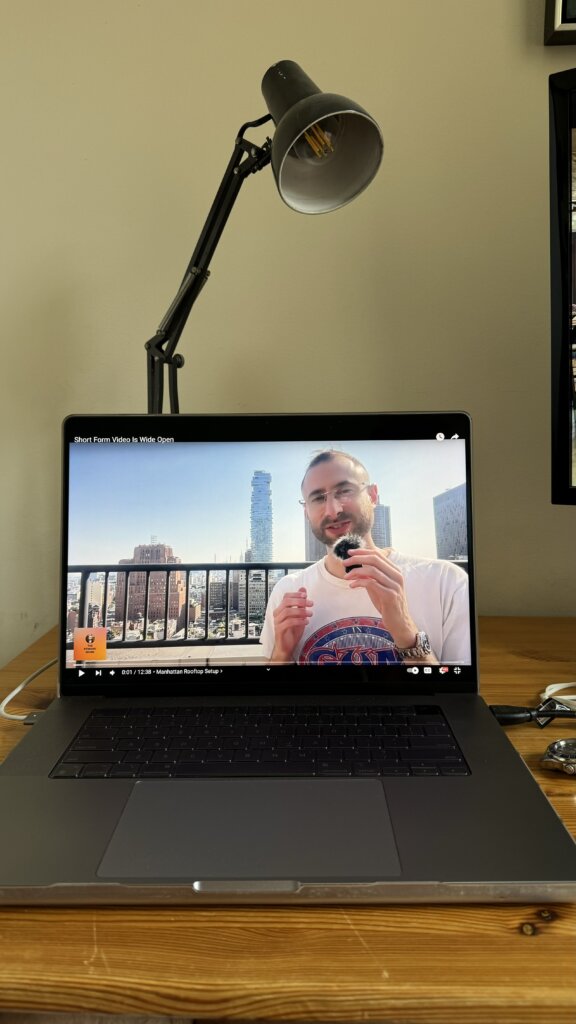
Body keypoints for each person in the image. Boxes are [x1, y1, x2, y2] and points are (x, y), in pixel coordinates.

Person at [259, 449, 471, 666]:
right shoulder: (288, 591)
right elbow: (268, 695)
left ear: (372, 496)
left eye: (344, 491)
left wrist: (407, 632)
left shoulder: (446, 582)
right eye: (318, 498)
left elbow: (453, 695)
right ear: (306, 512)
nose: (332, 510)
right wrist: (281, 655)